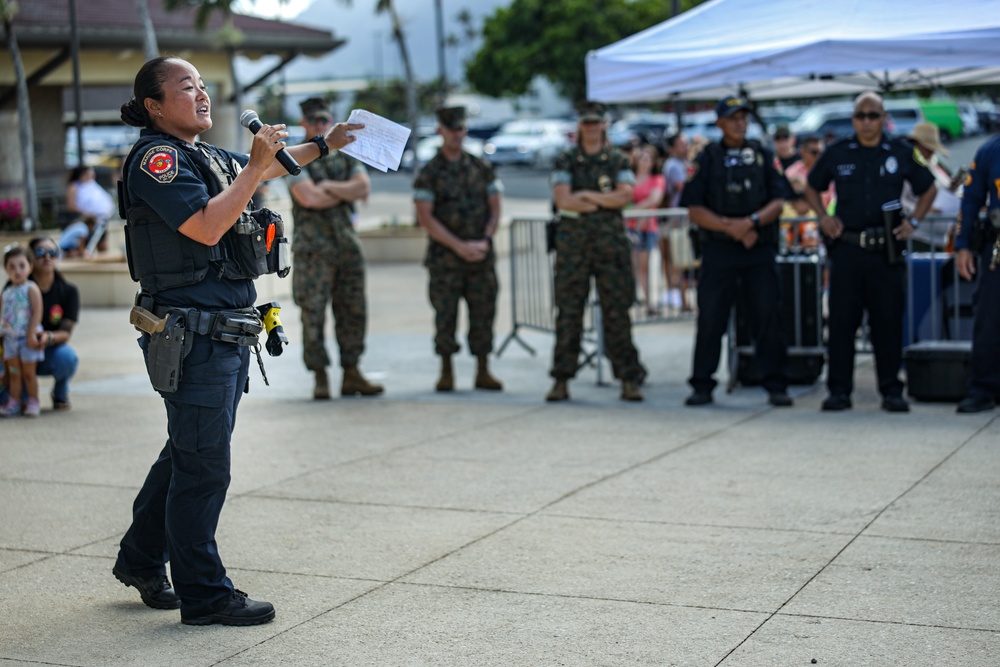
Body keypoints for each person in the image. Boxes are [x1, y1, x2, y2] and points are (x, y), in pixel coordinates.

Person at [112, 56, 361, 626]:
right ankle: (204, 595)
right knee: (205, 466)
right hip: (190, 335)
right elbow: (204, 225)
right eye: (185, 87)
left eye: (203, 85)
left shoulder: (202, 154)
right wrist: (251, 168)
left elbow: (272, 169)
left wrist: (328, 143)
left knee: (187, 453)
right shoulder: (158, 159)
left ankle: (142, 557)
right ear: (154, 105)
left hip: (222, 335)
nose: (200, 94)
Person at [804, 91, 935, 413]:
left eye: (873, 115)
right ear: (853, 120)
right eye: (860, 116)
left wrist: (914, 220)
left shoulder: (902, 151)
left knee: (887, 323)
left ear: (883, 117)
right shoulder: (838, 152)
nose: (866, 122)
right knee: (842, 324)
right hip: (847, 249)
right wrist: (823, 217)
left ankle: (891, 391)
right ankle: (839, 391)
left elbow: (929, 187)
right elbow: (811, 185)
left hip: (884, 252)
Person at [681, 95, 793, 408]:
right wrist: (729, 227)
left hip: (757, 248)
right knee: (711, 320)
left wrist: (751, 223)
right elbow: (693, 206)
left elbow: (778, 199)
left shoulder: (761, 154)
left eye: (743, 117)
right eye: (733, 118)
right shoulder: (707, 158)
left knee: (767, 316)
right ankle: (702, 384)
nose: (739, 123)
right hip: (719, 250)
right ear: (719, 123)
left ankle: (776, 384)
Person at [545, 101, 645, 402]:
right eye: (586, 122)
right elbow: (563, 200)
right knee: (569, 314)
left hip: (609, 247)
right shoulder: (566, 159)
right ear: (579, 125)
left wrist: (587, 196)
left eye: (596, 122)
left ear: (604, 125)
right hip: (573, 248)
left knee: (617, 313)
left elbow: (625, 196)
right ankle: (561, 378)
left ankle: (629, 377)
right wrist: (603, 198)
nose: (591, 128)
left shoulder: (616, 159)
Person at [287, 98, 383, 399]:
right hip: (314, 251)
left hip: (346, 247)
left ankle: (352, 372)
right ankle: (320, 376)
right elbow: (309, 198)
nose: (320, 125)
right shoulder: (294, 158)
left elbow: (363, 187)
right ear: (304, 123)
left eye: (324, 120)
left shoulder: (346, 155)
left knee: (353, 311)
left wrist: (326, 188)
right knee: (313, 314)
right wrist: (341, 192)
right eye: (314, 120)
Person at [413, 106, 503, 392]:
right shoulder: (430, 172)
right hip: (445, 259)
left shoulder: (481, 167)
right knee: (445, 316)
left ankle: (483, 369)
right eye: (451, 129)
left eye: (461, 128)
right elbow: (425, 217)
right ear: (440, 131)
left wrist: (485, 239)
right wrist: (459, 246)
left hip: (480, 256)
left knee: (484, 313)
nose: (457, 134)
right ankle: (446, 370)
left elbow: (496, 206)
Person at [954, 133, 1000, 413]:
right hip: (996, 246)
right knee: (989, 319)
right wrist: (963, 247)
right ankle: (983, 387)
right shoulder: (990, 150)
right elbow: (970, 201)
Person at [29, 237, 80, 410]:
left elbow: (66, 332)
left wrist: (48, 337)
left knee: (67, 357)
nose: (47, 257)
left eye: (52, 252)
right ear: (30, 258)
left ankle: (60, 393)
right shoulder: (17, 288)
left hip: (49, 350)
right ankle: (17, 394)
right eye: (40, 253)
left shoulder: (68, 291)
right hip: (21, 350)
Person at [902, 121, 963, 250]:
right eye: (928, 148)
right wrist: (921, 211)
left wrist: (950, 189)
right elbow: (900, 201)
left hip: (937, 238)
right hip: (919, 235)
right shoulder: (907, 167)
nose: (931, 152)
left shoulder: (935, 164)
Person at [1, 245, 44, 417]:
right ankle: (14, 402)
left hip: (27, 339)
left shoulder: (31, 288)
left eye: (21, 265)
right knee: (14, 373)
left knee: (28, 373)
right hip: (11, 340)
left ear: (30, 267)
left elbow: (37, 311)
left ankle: (33, 401)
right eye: (12, 266)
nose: (17, 270)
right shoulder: (6, 293)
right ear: (6, 269)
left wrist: (31, 332)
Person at [627, 144, 664, 315]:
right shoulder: (630, 178)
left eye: (649, 159)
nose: (645, 162)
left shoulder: (657, 178)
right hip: (631, 227)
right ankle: (633, 297)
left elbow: (655, 199)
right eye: (642, 158)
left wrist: (634, 210)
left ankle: (649, 302)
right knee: (633, 266)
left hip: (648, 227)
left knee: (644, 266)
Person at [660, 133, 692, 311]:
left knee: (684, 262)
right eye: (681, 144)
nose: (685, 148)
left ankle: (684, 299)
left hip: (683, 220)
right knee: (680, 261)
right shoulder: (673, 165)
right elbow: (683, 186)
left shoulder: (682, 163)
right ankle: (682, 300)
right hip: (677, 221)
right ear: (672, 148)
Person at [64, 166, 115, 253]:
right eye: (89, 172)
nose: (92, 174)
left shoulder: (93, 185)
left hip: (100, 220)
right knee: (86, 247)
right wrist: (87, 214)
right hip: (85, 221)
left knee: (103, 246)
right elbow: (71, 206)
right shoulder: (74, 187)